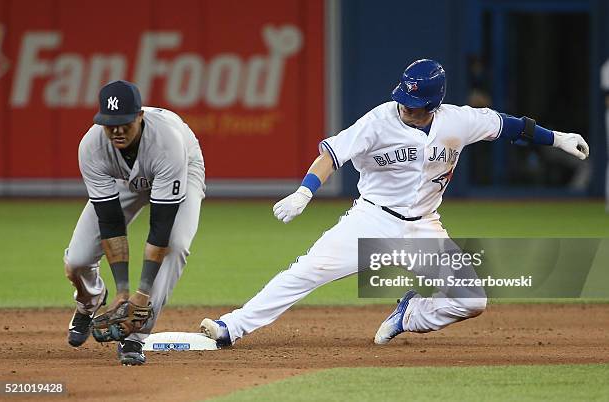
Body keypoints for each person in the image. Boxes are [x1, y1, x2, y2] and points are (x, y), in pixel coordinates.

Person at [200, 59, 589, 347]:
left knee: (472, 300)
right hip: (370, 219)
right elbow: (331, 155)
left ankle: (411, 314)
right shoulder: (378, 121)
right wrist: (305, 191)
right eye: (403, 100)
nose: (406, 108)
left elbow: (513, 126)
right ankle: (232, 327)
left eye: (414, 104)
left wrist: (558, 138)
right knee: (306, 272)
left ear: (435, 104)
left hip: (423, 227)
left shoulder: (459, 122)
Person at [65, 80, 205, 365]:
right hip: (124, 179)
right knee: (78, 259)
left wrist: (140, 294)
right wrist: (122, 291)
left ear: (140, 116)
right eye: (109, 123)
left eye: (124, 123)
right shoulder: (92, 147)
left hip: (180, 167)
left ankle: (135, 336)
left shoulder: (167, 142)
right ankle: (91, 299)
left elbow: (161, 226)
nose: (116, 130)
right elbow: (111, 221)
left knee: (176, 245)